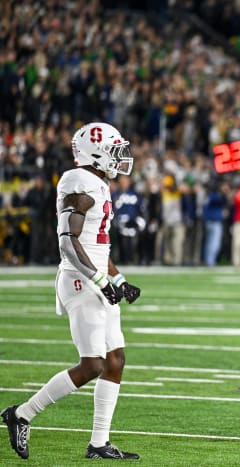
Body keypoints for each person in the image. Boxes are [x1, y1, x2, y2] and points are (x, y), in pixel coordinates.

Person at [1, 122, 141, 460]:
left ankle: (98, 443)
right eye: (115, 150)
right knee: (92, 365)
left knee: (115, 360)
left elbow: (98, 245)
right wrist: (99, 281)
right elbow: (68, 243)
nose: (121, 158)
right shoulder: (79, 182)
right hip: (80, 280)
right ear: (97, 152)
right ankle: (21, 414)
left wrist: (119, 281)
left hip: (96, 277)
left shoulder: (99, 184)